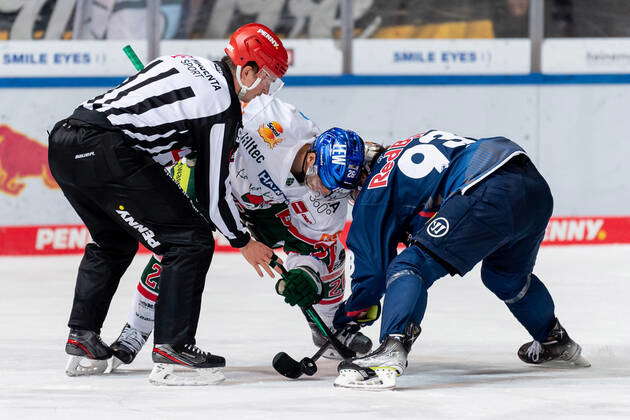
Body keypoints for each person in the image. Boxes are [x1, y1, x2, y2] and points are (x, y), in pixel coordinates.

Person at [48, 22, 288, 385]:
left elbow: (147, 126)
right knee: (190, 241)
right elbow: (211, 197)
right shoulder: (222, 104)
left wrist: (184, 151)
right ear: (247, 69)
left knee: (114, 241)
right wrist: (243, 241)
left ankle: (82, 335)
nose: (268, 88)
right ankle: (174, 348)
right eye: (268, 78)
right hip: (106, 150)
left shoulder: (181, 60)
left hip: (65, 142)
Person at [281, 129, 590, 390]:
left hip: (486, 190)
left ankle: (391, 351)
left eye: (321, 181)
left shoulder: (373, 193)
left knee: (409, 266)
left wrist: (346, 318)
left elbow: (373, 275)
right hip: (531, 185)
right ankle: (554, 341)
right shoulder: (404, 147)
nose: (321, 190)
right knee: (505, 277)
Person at [104, 95, 377, 371]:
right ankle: (135, 331)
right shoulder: (271, 117)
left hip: (270, 214)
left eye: (335, 189)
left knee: (331, 255)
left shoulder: (329, 203)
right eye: (321, 180)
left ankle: (328, 329)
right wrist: (198, 139)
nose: (325, 192)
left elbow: (311, 245)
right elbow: (219, 110)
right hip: (214, 183)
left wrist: (305, 275)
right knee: (178, 248)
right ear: (312, 154)